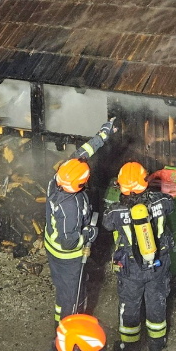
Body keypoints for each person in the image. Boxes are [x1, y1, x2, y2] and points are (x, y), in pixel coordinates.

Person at [44, 120, 116, 322]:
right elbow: (69, 240)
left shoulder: (60, 177)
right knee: (73, 296)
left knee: (63, 292)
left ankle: (61, 323)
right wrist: (88, 233)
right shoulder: (71, 206)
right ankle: (69, 331)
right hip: (67, 256)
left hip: (52, 246)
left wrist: (103, 134)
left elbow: (81, 155)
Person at [102, 161, 175, 351]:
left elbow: (106, 223)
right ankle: (156, 345)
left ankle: (130, 349)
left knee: (130, 305)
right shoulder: (160, 201)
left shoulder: (116, 212)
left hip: (130, 268)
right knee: (157, 302)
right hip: (158, 264)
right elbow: (171, 204)